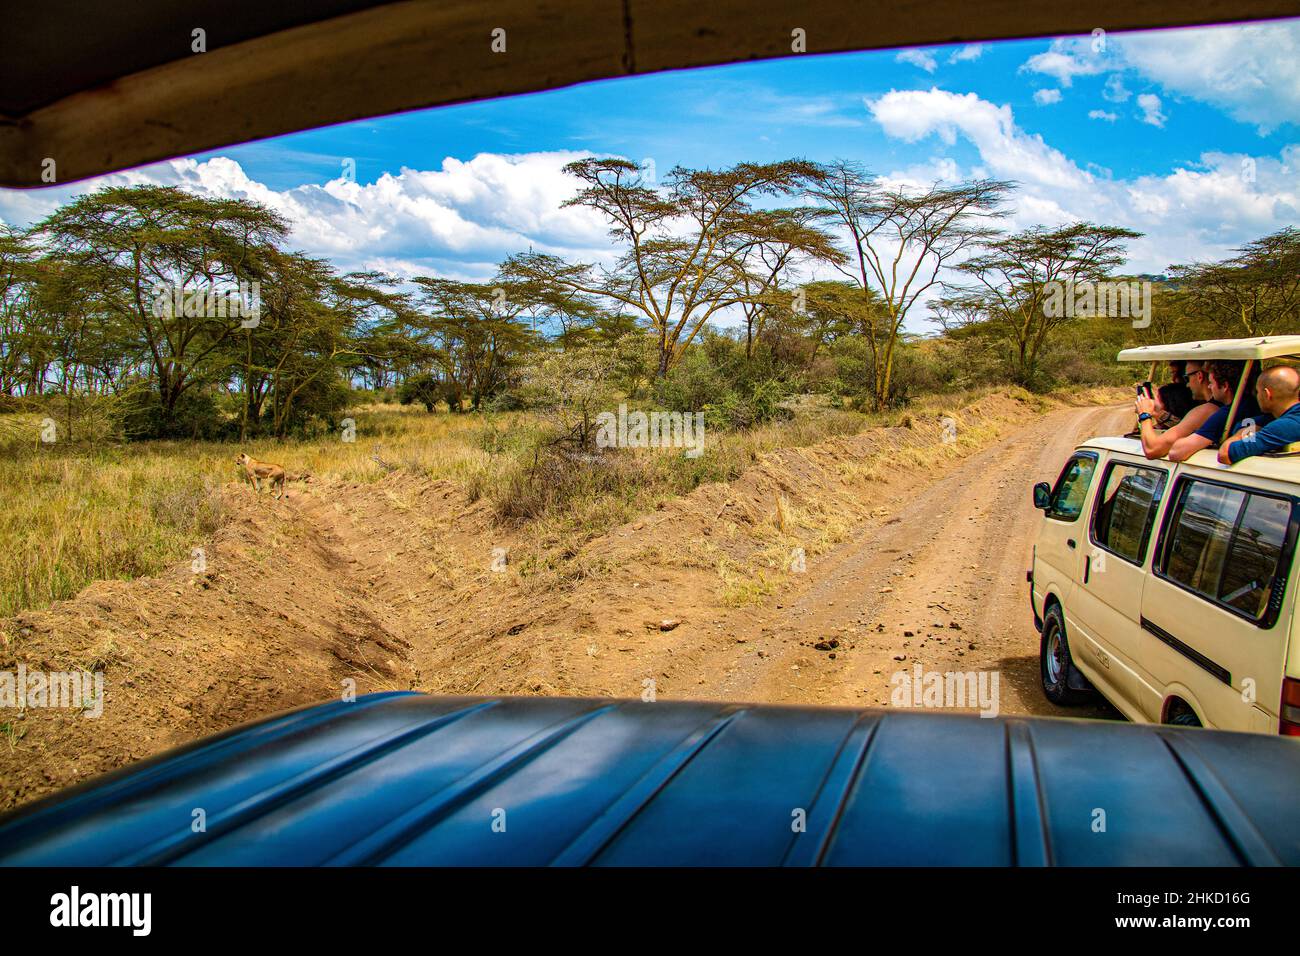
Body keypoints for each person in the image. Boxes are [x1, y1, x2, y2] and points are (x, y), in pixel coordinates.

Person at [1163, 360, 1264, 462]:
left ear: (1224, 386)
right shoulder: (1256, 405)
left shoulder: (1227, 413)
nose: (1209, 386)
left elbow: (1176, 452)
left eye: (1211, 383)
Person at [1135, 359, 1218, 459]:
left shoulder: (1207, 410)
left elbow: (1152, 449)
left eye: (1187, 378)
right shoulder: (1221, 407)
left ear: (1199, 376)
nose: (1186, 385)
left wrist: (1144, 414)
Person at [1219, 366, 1300, 464]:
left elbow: (1225, 455)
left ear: (1267, 394)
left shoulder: (1285, 426)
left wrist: (1241, 434)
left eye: (1257, 391)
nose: (1256, 396)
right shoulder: (1277, 420)